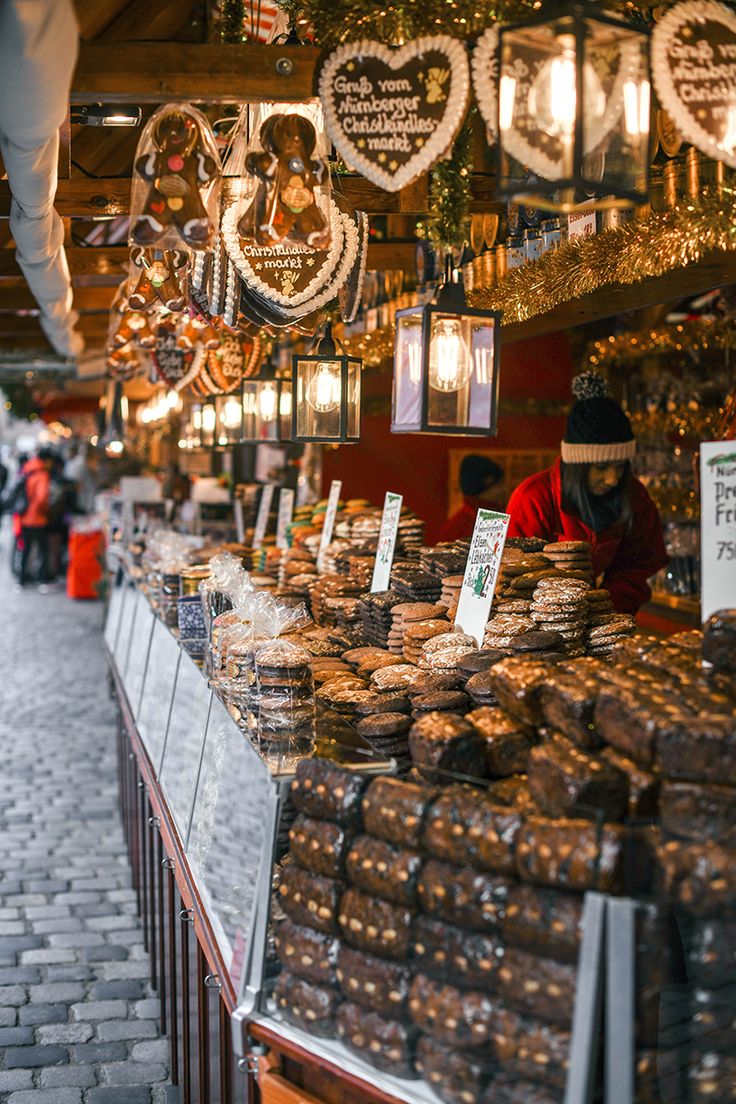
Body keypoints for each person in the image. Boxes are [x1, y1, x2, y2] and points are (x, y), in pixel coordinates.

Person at [506, 371, 668, 614]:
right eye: (601, 467)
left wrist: (606, 611)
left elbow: (637, 566)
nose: (613, 479)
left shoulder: (634, 497)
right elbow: (512, 577)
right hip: (535, 620)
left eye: (620, 466)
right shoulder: (533, 499)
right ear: (577, 466)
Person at [437, 454, 505, 542]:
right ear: (481, 489)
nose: (504, 490)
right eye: (498, 485)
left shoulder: (458, 524)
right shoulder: (464, 526)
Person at [17, 450, 52, 587]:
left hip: (24, 517)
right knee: (43, 550)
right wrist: (45, 510)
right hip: (37, 519)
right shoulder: (42, 475)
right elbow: (42, 497)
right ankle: (42, 579)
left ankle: (22, 579)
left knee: (25, 550)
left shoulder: (26, 471)